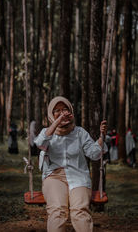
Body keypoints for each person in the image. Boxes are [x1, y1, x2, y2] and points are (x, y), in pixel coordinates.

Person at [34, 96, 107, 232]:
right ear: (51, 114)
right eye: (57, 111)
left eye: (65, 109)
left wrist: (102, 137)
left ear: (70, 111)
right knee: (57, 211)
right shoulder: (47, 132)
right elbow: (40, 143)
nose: (62, 113)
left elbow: (94, 154)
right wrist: (57, 122)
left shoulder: (80, 133)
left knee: (80, 211)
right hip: (54, 177)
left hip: (78, 177)